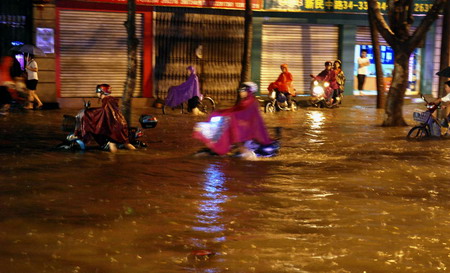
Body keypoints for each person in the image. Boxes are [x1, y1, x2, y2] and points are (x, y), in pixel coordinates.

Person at [194, 82, 273, 159]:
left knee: (233, 130)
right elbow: (235, 110)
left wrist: (229, 116)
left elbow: (242, 114)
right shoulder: (245, 101)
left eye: (243, 90)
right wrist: (220, 113)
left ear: (249, 91)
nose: (241, 92)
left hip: (247, 128)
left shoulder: (251, 102)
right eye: (240, 90)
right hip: (243, 125)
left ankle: (240, 149)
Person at [74, 84, 136, 153]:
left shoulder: (107, 101)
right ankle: (136, 154)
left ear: (102, 92)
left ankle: (113, 161)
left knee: (112, 144)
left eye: (97, 91)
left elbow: (103, 112)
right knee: (126, 143)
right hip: (121, 125)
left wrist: (88, 113)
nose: (96, 93)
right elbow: (106, 112)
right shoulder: (111, 100)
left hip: (114, 127)